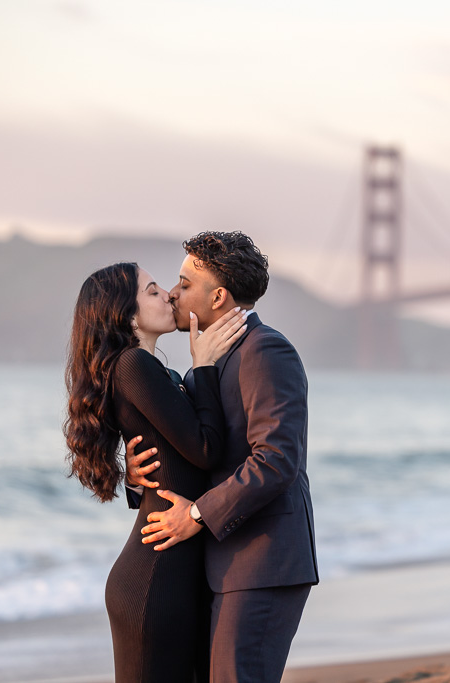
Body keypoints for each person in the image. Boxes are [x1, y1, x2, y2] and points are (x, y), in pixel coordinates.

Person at [125, 231, 319, 682]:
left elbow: (275, 459)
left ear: (218, 296)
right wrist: (137, 475)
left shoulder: (265, 350)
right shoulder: (206, 363)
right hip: (222, 564)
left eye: (184, 284)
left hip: (262, 563)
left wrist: (194, 514)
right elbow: (197, 450)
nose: (172, 293)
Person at [64, 262, 247, 682]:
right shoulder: (134, 366)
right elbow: (204, 449)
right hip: (154, 583)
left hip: (170, 574)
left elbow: (170, 455)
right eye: (151, 290)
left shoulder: (156, 372)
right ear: (126, 316)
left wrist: (133, 477)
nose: (167, 294)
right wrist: (203, 366)